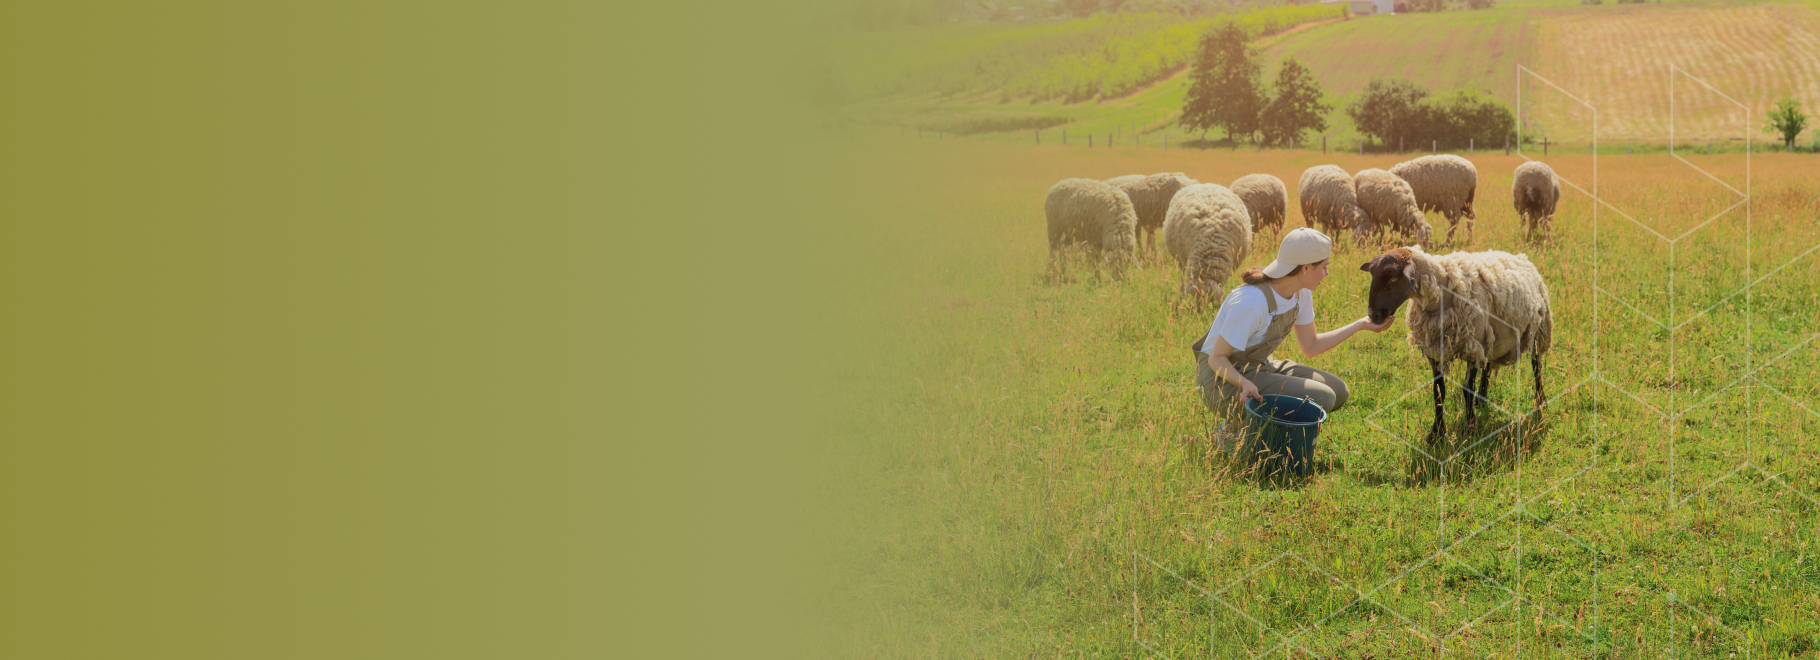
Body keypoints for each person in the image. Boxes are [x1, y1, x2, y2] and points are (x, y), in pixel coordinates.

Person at [1191, 227, 1395, 453]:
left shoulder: (1300, 292)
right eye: (1324, 267)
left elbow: (1310, 346)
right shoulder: (1251, 302)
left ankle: (1264, 434)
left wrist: (1360, 325)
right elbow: (1216, 358)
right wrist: (1245, 383)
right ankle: (1237, 433)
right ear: (1306, 268)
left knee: (1338, 391)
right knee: (1322, 397)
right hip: (1221, 381)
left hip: (1258, 367)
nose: (1327, 273)